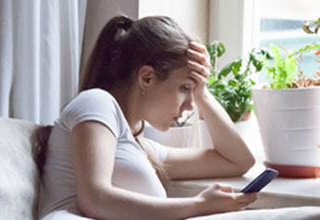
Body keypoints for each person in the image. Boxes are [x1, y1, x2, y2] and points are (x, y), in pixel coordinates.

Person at [34, 15, 257, 220]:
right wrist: (199, 205)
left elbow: (238, 161)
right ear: (147, 78)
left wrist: (203, 93)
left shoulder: (141, 149)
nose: (190, 105)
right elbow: (95, 200)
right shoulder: (97, 102)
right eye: (184, 88)